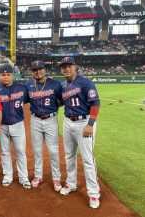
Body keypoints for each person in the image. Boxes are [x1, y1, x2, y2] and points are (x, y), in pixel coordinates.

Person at [59, 57, 100, 209]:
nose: (66, 69)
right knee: (69, 155)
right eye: (64, 67)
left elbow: (95, 102)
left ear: (75, 67)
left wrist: (90, 123)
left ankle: (94, 193)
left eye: (69, 66)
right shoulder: (63, 85)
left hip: (84, 122)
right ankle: (71, 184)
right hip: (68, 122)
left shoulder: (85, 82)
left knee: (88, 159)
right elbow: (62, 102)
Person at [0, 64, 31, 189]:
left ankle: (24, 177)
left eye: (8, 75)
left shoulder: (22, 88)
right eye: (3, 75)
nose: (6, 77)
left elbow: (31, 100)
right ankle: (8, 176)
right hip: (1, 126)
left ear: (13, 75)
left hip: (18, 124)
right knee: (5, 152)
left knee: (20, 151)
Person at [25, 60, 63, 192]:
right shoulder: (29, 84)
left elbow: (62, 100)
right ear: (32, 72)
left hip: (51, 119)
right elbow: (24, 99)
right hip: (35, 120)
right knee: (37, 150)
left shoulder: (55, 84)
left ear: (44, 70)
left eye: (40, 69)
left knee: (53, 150)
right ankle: (38, 176)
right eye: (35, 70)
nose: (38, 71)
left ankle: (56, 178)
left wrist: (52, 108)